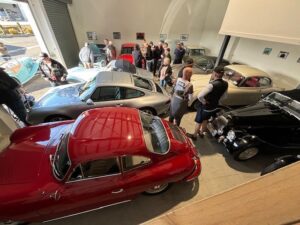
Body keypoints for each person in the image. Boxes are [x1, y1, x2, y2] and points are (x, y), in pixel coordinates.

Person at [187, 66, 228, 140]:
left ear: (215, 74)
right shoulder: (225, 84)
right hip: (214, 107)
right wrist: (216, 100)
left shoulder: (211, 85)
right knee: (205, 119)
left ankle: (195, 135)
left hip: (205, 107)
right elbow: (225, 97)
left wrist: (204, 101)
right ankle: (202, 133)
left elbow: (200, 96)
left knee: (198, 121)